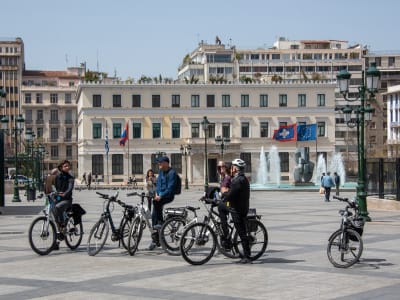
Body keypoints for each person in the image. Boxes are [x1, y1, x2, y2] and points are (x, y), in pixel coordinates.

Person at [223, 158, 252, 264]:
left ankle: (247, 256)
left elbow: (231, 194)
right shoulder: (242, 178)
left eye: (232, 167)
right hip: (241, 208)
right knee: (242, 231)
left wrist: (223, 197)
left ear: (235, 168)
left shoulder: (238, 180)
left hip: (238, 210)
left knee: (242, 233)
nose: (231, 169)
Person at [149, 156, 177, 250]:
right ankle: (155, 239)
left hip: (168, 195)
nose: (159, 164)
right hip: (159, 195)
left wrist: (161, 195)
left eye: (160, 162)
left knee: (157, 204)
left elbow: (170, 187)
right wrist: (157, 193)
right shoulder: (161, 172)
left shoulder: (172, 173)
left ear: (166, 163)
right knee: (153, 216)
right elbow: (158, 185)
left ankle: (161, 222)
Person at [216, 161, 232, 250]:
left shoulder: (227, 178)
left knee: (221, 208)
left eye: (222, 167)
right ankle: (225, 234)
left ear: (226, 168)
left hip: (229, 202)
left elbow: (224, 191)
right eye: (219, 167)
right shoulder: (224, 177)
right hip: (226, 200)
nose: (220, 168)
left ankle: (227, 237)